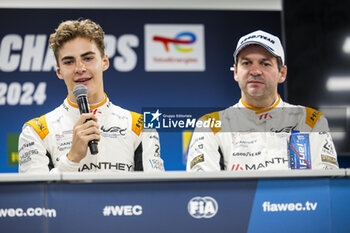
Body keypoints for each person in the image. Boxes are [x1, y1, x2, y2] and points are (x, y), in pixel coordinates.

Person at [18, 19, 164, 173]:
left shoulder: (140, 127)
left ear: (104, 62)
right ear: (59, 71)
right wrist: (71, 159)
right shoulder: (36, 131)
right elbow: (35, 195)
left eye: (88, 58)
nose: (80, 68)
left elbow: (154, 192)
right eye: (69, 62)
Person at [186, 30, 338, 171]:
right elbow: (204, 191)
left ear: (282, 73)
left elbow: (325, 187)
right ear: (236, 72)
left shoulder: (310, 121)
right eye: (246, 63)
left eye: (265, 64)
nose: (255, 71)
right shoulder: (210, 125)